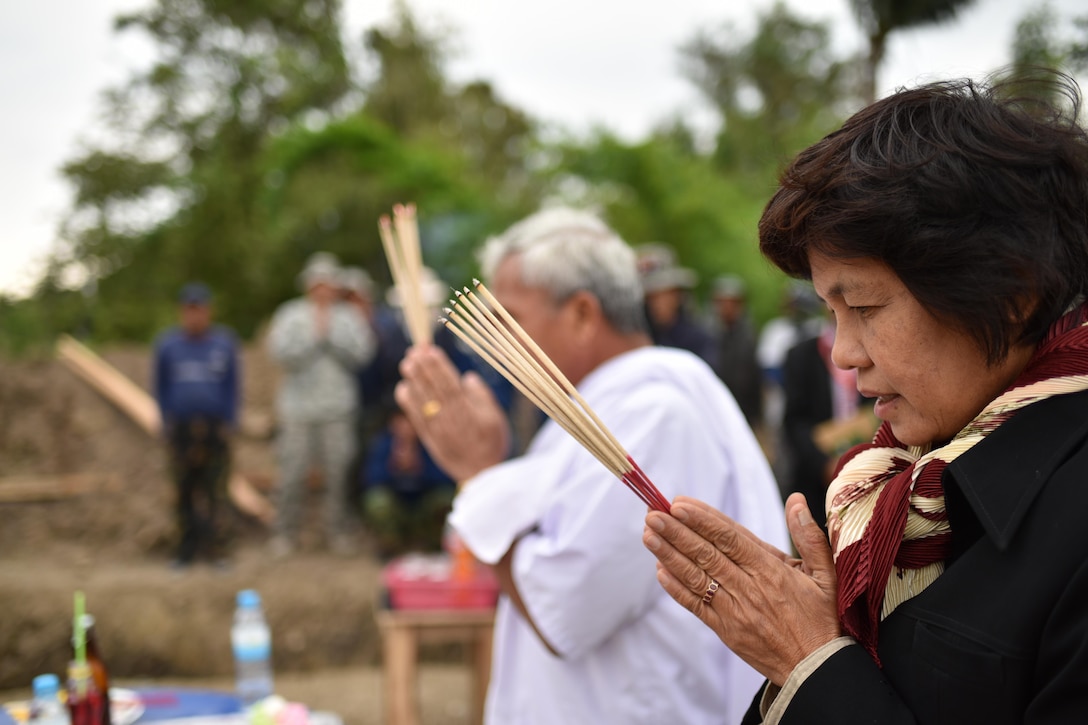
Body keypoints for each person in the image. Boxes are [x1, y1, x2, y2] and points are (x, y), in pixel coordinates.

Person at [642, 73, 1088, 724]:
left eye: (866, 306)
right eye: (831, 312)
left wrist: (813, 662)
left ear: (1011, 292)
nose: (845, 354)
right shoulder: (896, 493)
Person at [395, 208, 788, 724]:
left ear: (582, 314)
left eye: (509, 319)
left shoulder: (653, 414)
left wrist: (477, 473)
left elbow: (564, 608)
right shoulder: (599, 411)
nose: (495, 346)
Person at [266, 252, 375, 557]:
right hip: (297, 409)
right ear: (308, 286)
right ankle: (285, 533)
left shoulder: (349, 318)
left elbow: (363, 354)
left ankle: (337, 531)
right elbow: (279, 354)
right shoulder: (290, 315)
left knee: (339, 471)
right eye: (318, 284)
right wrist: (313, 338)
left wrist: (333, 336)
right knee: (291, 471)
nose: (323, 291)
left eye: (329, 285)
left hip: (338, 408)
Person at [152, 282, 240, 569]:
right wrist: (165, 420)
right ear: (182, 312)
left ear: (208, 311)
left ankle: (218, 551)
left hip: (215, 429)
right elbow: (160, 386)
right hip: (181, 430)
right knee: (183, 492)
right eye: (189, 310)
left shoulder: (224, 343)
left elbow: (233, 386)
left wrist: (231, 420)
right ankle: (184, 552)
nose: (195, 316)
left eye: (200, 309)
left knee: (216, 492)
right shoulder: (168, 346)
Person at [779, 316, 876, 530]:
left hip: (870, 472)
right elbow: (794, 421)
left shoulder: (876, 349)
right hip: (816, 479)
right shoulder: (801, 355)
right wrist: (824, 464)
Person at [360, 405, 456, 557]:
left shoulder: (431, 444)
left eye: (410, 421)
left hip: (423, 508)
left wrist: (420, 469)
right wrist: (394, 468)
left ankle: (434, 544)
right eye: (400, 421)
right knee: (376, 501)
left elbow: (447, 479)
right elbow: (370, 480)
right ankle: (391, 544)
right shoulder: (383, 443)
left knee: (444, 499)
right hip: (397, 507)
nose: (405, 427)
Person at [635, 243, 716, 364]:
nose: (655, 304)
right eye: (650, 297)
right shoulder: (636, 338)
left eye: (662, 295)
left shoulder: (698, 340)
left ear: (678, 295)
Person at [708, 274, 764, 431]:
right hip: (714, 410)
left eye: (733, 303)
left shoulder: (749, 335)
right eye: (723, 302)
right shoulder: (706, 335)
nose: (728, 308)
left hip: (744, 409)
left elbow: (755, 377)